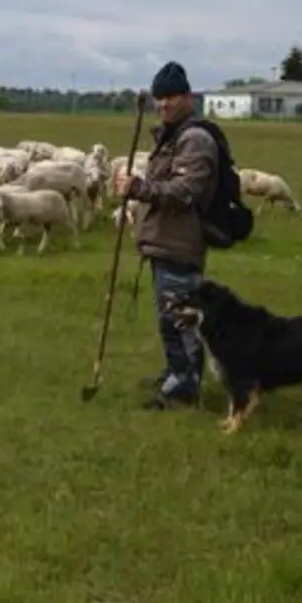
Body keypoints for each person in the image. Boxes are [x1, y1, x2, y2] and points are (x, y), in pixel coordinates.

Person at [112, 61, 220, 410]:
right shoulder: (171, 136)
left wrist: (139, 189)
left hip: (180, 242)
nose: (163, 105)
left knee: (181, 318)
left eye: (171, 97)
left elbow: (185, 191)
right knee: (168, 318)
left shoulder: (196, 140)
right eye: (159, 99)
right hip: (163, 241)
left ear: (187, 97)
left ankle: (185, 387)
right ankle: (176, 372)